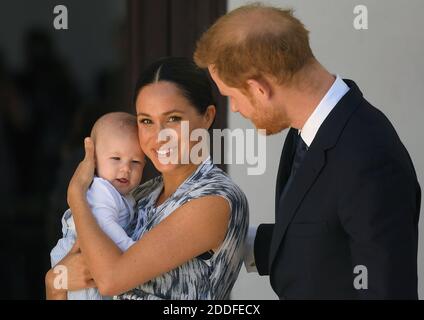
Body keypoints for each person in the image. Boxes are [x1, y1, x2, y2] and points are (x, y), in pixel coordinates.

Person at [194, 4, 421, 299]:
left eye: (231, 97)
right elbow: (321, 239)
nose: (235, 108)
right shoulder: (309, 129)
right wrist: (225, 237)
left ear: (259, 88)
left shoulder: (370, 158)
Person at [45, 57, 249, 300]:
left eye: (173, 119)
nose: (159, 136)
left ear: (207, 116)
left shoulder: (214, 198)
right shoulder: (139, 195)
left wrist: (76, 195)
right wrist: (53, 282)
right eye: (146, 121)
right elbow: (66, 285)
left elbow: (111, 280)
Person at [50, 112, 145, 299]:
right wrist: (134, 252)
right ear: (93, 160)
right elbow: (105, 225)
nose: (126, 168)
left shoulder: (123, 194)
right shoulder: (102, 190)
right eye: (116, 159)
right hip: (80, 261)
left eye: (135, 162)